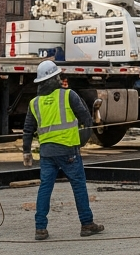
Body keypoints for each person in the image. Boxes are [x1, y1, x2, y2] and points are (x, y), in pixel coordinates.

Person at [23, 60, 103, 241]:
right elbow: (85, 119)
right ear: (54, 78)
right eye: (58, 76)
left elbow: (28, 129)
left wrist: (26, 152)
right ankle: (87, 224)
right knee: (78, 185)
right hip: (69, 152)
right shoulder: (68, 95)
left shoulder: (34, 103)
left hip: (47, 153)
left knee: (45, 188)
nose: (60, 79)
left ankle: (40, 228)